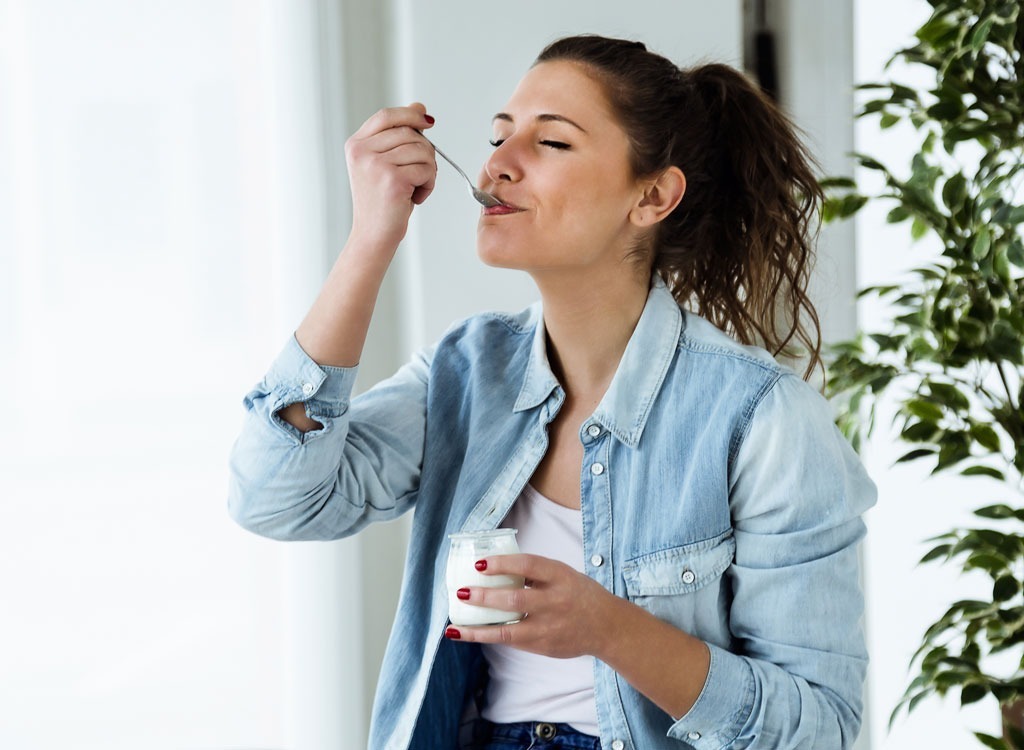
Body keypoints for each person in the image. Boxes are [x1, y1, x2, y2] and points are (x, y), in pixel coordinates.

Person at [229, 34, 876, 750]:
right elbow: (276, 498)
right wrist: (371, 238)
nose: (497, 164)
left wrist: (608, 629)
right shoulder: (465, 373)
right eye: (499, 137)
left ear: (652, 195)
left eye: (552, 143)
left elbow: (820, 729)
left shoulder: (763, 418)